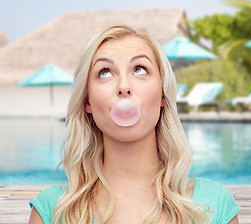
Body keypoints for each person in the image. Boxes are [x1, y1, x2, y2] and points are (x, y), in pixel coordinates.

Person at [28, 25, 240, 224]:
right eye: (105, 72)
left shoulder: (214, 205)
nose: (123, 86)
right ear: (87, 102)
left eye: (139, 69)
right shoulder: (51, 210)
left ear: (163, 95)